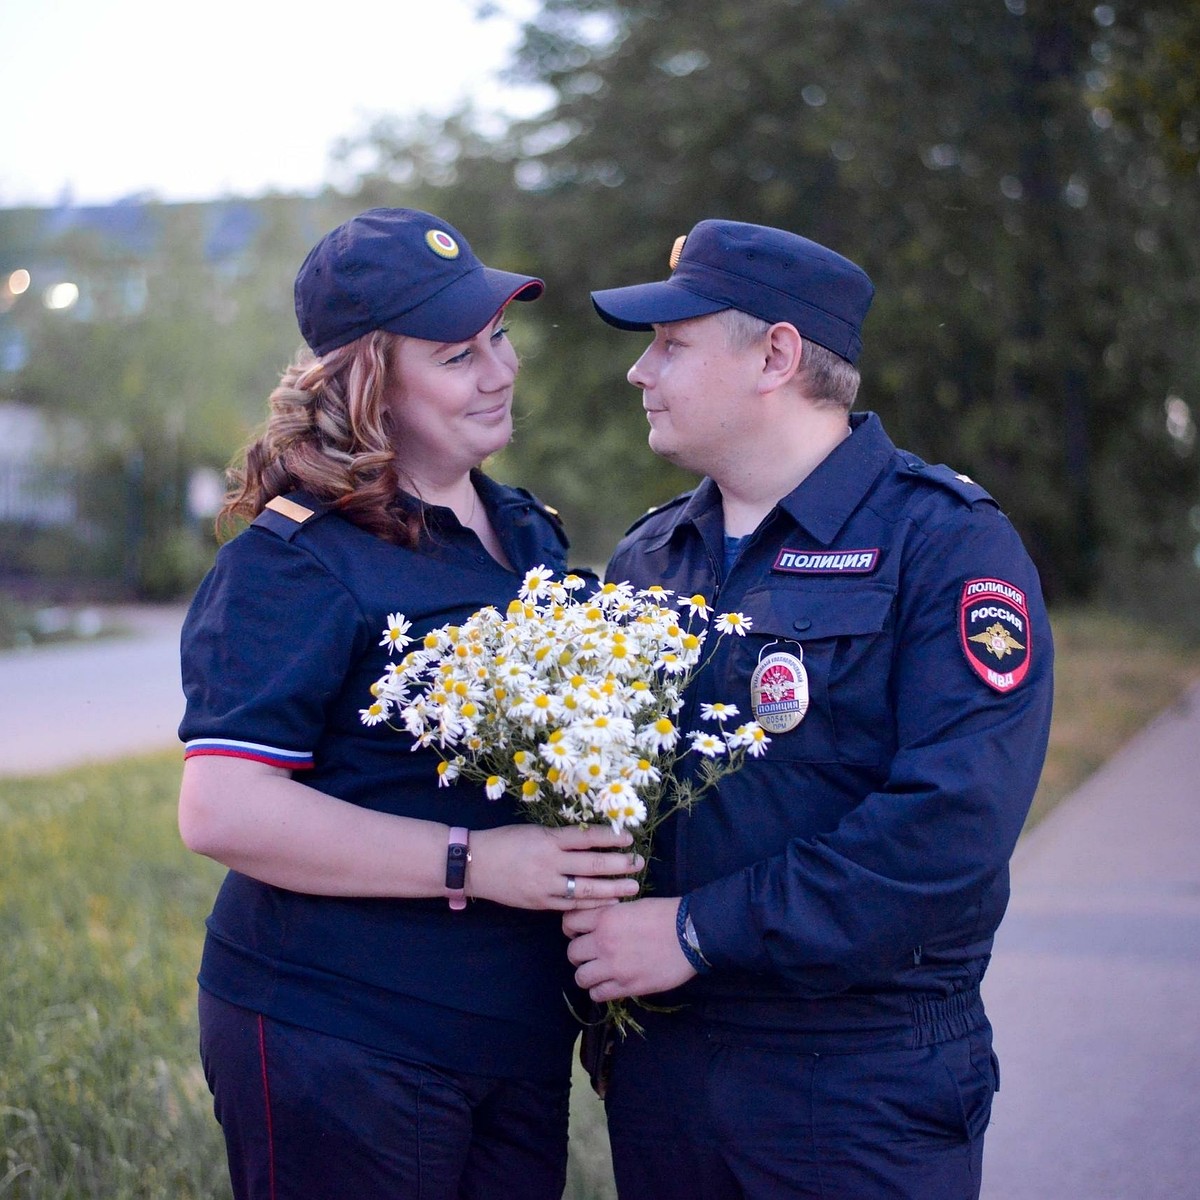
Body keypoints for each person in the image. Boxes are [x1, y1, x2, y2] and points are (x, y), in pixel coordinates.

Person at [564, 218, 1054, 1199]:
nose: (640, 372)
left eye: (672, 343)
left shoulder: (945, 545)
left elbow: (949, 825)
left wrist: (698, 932)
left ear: (776, 356)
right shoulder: (651, 557)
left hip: (855, 1082)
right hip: (665, 1075)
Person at [176, 207, 642, 1200]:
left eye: (500, 338)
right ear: (371, 383)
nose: (500, 371)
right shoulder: (295, 560)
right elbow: (222, 807)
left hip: (510, 1031)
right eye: (455, 354)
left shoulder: (524, 533)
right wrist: (478, 862)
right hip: (343, 1032)